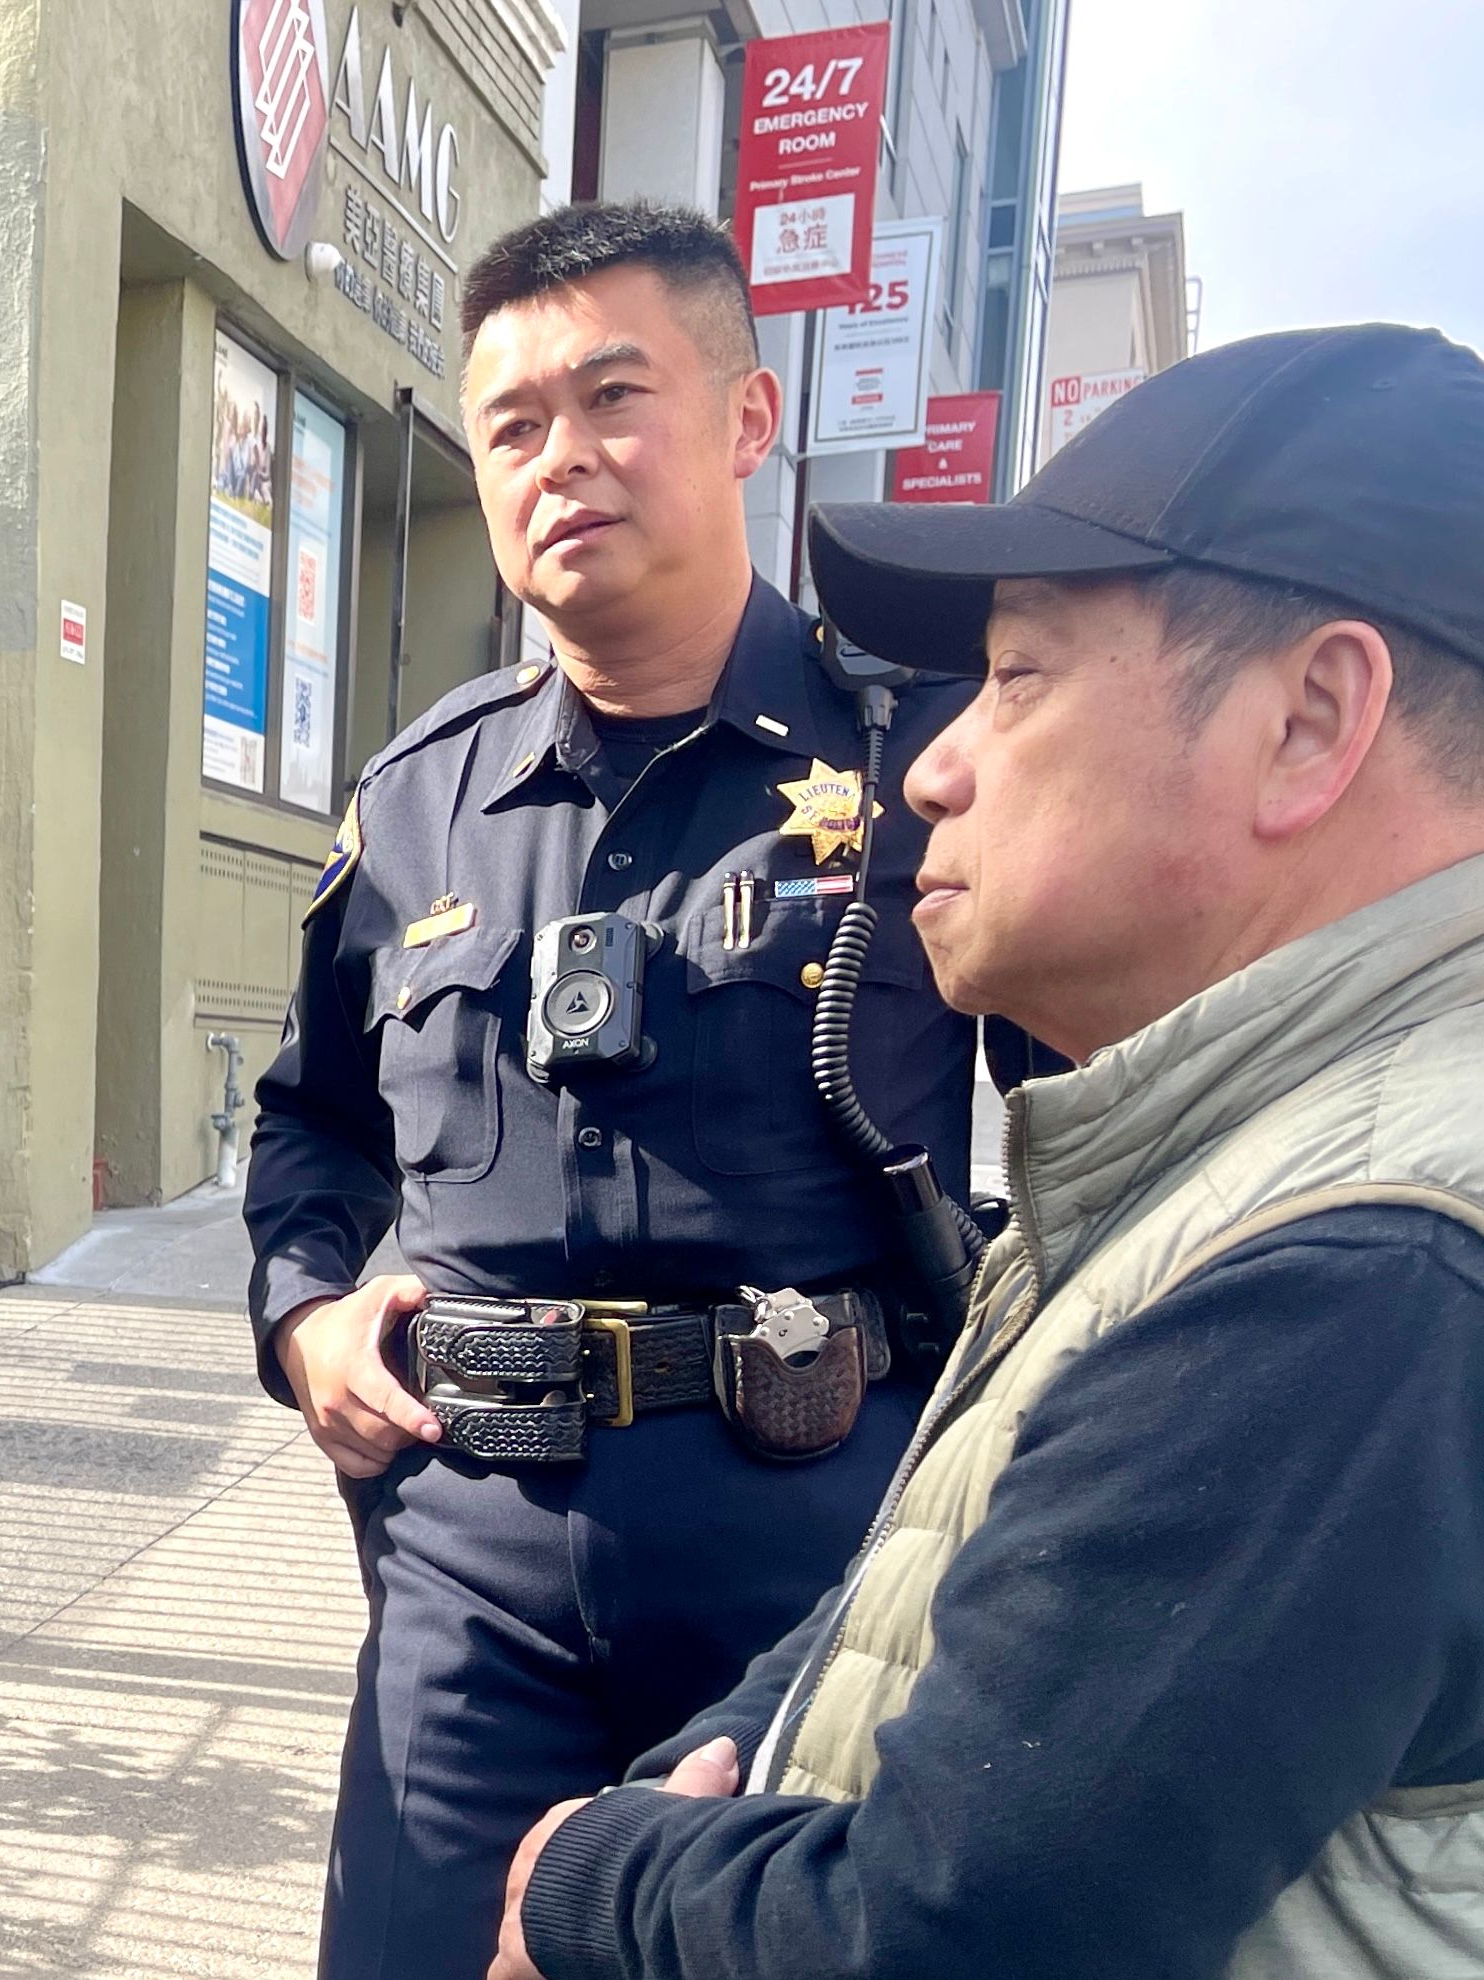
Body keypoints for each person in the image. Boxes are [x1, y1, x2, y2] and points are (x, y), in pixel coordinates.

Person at [493, 321, 1484, 1980]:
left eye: (1016, 677)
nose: (936, 765)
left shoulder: (1356, 1264)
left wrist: (593, 1882)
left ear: (1314, 720)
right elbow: (935, 1594)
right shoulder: (1240, 1161)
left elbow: (955, 1926)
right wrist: (710, 1769)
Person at [239, 202, 1000, 1979]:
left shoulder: (925, 761)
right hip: (464, 1564)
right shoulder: (418, 796)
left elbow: (1102, 1135)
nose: (559, 459)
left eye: (612, 398)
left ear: (747, 423)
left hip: (813, 1559)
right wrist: (304, 1325)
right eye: (512, 427)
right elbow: (314, 1122)